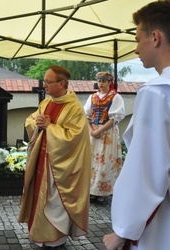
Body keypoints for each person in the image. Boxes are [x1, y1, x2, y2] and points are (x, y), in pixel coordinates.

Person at [103, 2, 170, 249]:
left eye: (137, 39)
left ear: (155, 37)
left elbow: (148, 168)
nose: (135, 48)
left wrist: (123, 229)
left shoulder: (157, 92)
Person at [18, 65, 91, 248]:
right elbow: (31, 119)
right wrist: (38, 122)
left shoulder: (74, 108)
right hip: (41, 160)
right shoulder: (46, 103)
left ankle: (56, 239)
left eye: (48, 82)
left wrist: (50, 127)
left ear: (61, 83)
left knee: (54, 202)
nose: (45, 86)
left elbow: (75, 137)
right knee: (39, 199)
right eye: (45, 81)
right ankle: (40, 235)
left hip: (59, 167)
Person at [83, 72, 125, 202]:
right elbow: (86, 116)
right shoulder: (92, 97)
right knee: (91, 160)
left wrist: (100, 130)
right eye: (99, 81)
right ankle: (91, 190)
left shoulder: (116, 97)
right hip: (93, 132)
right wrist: (91, 130)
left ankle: (103, 192)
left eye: (104, 81)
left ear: (109, 82)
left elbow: (115, 118)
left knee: (105, 160)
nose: (101, 83)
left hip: (108, 132)